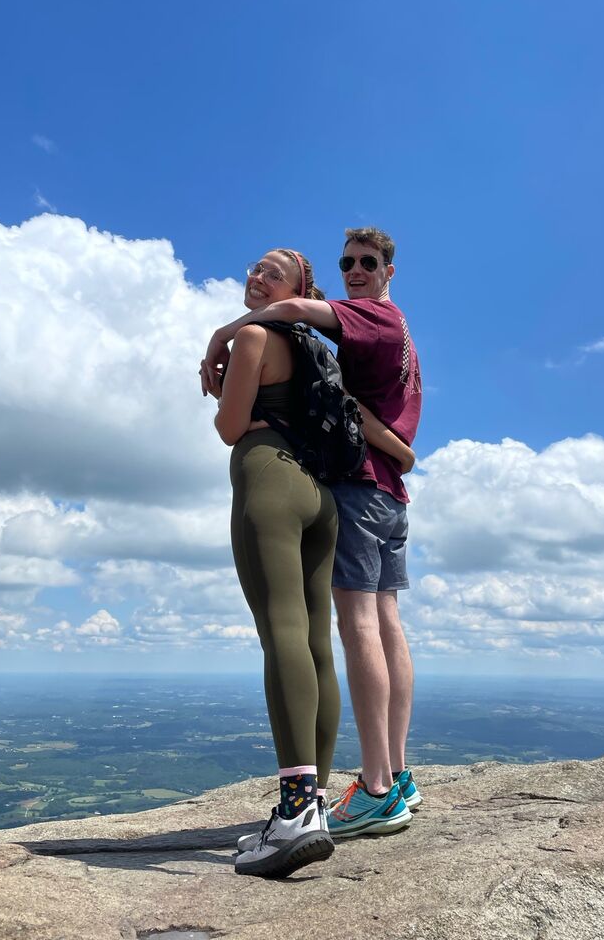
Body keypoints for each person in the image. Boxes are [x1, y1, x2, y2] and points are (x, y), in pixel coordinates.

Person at [203, 227, 422, 841]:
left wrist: (225, 340)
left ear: (387, 271)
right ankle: (382, 780)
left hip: (332, 487)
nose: (356, 270)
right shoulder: (323, 351)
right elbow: (363, 417)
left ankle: (331, 801)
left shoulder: (348, 322)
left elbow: (230, 427)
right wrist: (401, 451)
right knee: (368, 627)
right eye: (348, 262)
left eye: (367, 262)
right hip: (359, 493)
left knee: (313, 634)